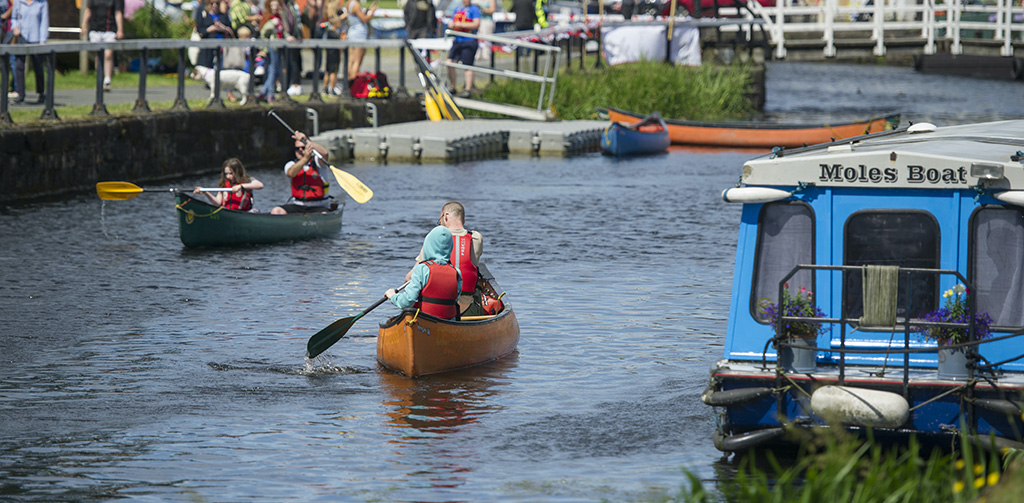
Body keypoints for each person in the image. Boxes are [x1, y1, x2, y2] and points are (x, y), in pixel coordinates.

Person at [405, 201, 483, 316]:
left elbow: (409, 278)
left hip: (439, 308)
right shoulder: (476, 237)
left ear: (445, 216)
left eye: (439, 220)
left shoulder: (434, 239)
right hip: (467, 308)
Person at [386, 225, 462, 320]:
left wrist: (393, 296)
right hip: (449, 322)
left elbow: (406, 302)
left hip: (424, 321)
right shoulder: (456, 272)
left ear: (428, 245)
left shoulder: (421, 269)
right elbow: (456, 299)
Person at [270, 131, 333, 214]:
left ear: (309, 148)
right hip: (298, 206)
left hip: (319, 206)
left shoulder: (319, 163)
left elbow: (325, 153)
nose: (300, 150)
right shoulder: (290, 164)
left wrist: (306, 140)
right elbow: (291, 173)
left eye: (303, 148)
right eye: (297, 148)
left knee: (323, 214)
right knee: (276, 211)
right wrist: (305, 159)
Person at [9, 0, 47, 105]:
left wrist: (43, 40)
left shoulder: (41, 3)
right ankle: (20, 94)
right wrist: (15, 27)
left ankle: (41, 92)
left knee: (38, 66)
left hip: (36, 38)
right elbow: (14, 18)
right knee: (19, 66)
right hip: (22, 36)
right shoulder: (19, 2)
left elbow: (44, 21)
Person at [82, 0, 124, 93]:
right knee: (99, 55)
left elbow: (118, 13)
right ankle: (99, 78)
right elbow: (88, 10)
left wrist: (120, 30)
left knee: (108, 54)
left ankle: (107, 80)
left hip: (109, 30)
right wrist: (84, 25)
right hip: (96, 30)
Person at [257, 0, 295, 103]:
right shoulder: (268, 17)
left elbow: (283, 31)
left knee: (277, 71)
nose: (275, 7)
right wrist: (271, 24)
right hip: (271, 47)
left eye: (277, 5)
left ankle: (263, 92)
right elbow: (263, 32)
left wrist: (288, 37)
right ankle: (270, 94)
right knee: (273, 70)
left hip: (279, 46)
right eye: (273, 5)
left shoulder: (280, 17)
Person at [193, 158, 264, 211]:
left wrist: (241, 186)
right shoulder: (224, 183)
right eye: (226, 174)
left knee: (255, 211)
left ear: (238, 172)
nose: (228, 176)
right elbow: (218, 203)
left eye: (231, 173)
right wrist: (206, 192)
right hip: (229, 212)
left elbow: (260, 185)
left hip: (244, 213)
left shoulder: (247, 180)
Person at [445, 0, 480, 98]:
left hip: (469, 40)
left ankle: (467, 89)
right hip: (458, 40)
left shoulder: (474, 9)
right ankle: (453, 87)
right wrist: (452, 25)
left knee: (468, 66)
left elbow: (476, 24)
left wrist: (461, 25)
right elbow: (452, 21)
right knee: (449, 63)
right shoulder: (458, 8)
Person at [345, 0, 377, 90]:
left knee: (351, 61)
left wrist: (367, 11)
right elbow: (365, 19)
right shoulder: (356, 5)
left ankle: (349, 83)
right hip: (359, 35)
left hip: (352, 33)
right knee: (357, 62)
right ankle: (353, 84)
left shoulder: (349, 3)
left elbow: (358, 16)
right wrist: (372, 12)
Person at [321, 0, 347, 95]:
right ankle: (332, 89)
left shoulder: (327, 8)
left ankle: (325, 89)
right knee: (333, 69)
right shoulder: (335, 32)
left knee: (328, 69)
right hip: (334, 47)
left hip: (329, 46)